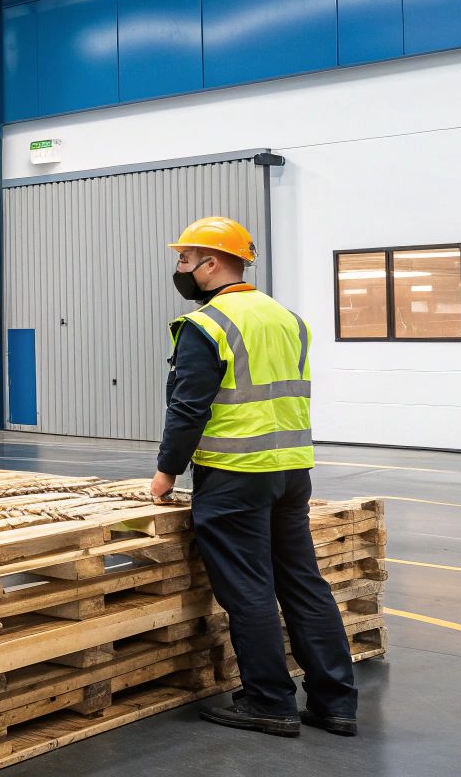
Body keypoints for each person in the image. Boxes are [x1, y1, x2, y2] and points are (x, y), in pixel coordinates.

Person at [150, 217, 357, 738]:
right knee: (303, 582)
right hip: (291, 472)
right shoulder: (287, 318)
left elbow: (188, 409)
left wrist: (165, 473)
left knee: (249, 591)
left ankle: (269, 701)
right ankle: (335, 702)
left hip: (234, 475)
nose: (180, 268)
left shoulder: (208, 323)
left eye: (185, 259)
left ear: (212, 263)